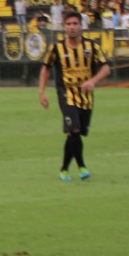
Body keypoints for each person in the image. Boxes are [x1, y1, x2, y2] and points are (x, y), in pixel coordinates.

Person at [38, 11, 111, 181]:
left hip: (86, 96)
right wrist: (42, 92)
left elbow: (106, 68)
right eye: (69, 24)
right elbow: (46, 67)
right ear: (64, 27)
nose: (72, 27)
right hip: (66, 94)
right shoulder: (56, 48)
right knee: (75, 129)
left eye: (75, 23)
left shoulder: (92, 46)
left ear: (81, 25)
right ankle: (82, 167)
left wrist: (92, 81)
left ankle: (65, 168)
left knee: (75, 134)